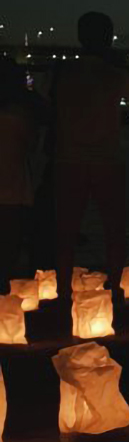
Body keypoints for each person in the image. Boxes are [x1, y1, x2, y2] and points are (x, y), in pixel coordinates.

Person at [51, 12, 129, 293]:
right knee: (114, 231)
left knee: (66, 233)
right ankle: (114, 286)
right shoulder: (115, 75)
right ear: (108, 38)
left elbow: (48, 106)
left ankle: (62, 292)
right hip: (107, 162)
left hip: (67, 161)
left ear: (80, 37)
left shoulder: (61, 74)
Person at [0, 56, 47, 290]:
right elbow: (33, 146)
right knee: (10, 250)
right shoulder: (19, 116)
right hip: (14, 187)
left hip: (12, 185)